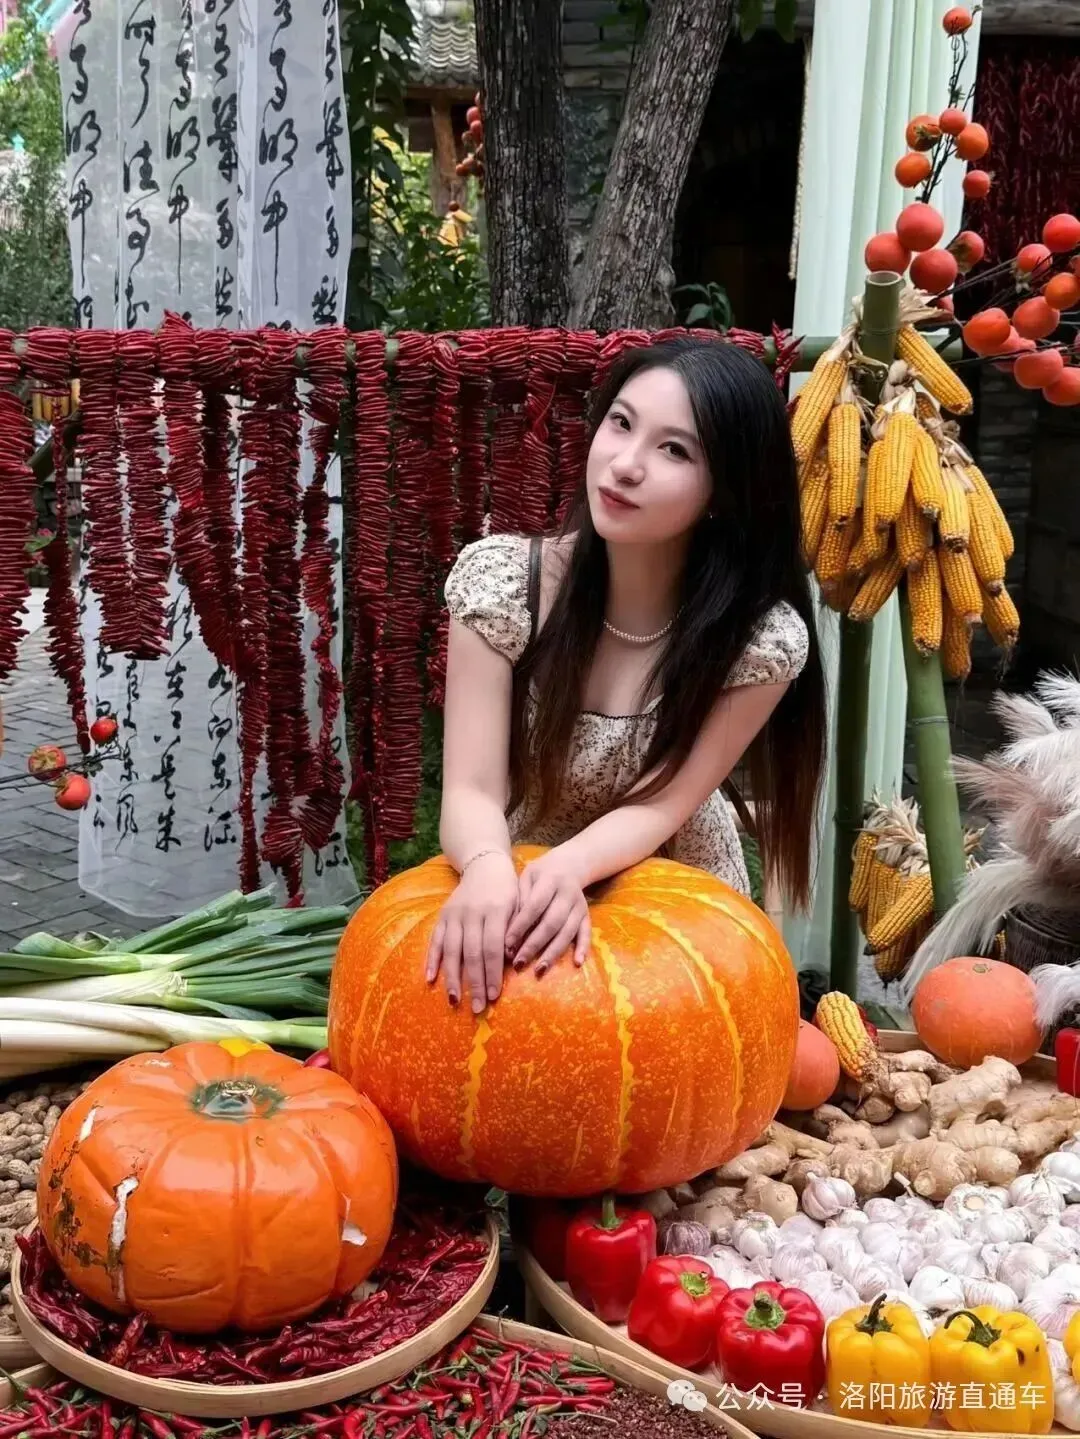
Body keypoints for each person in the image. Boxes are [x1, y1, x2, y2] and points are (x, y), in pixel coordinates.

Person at [427, 337, 828, 1014]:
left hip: (671, 887)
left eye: (674, 450)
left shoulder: (757, 640)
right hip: (506, 864)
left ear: (724, 492)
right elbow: (470, 788)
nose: (625, 464)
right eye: (621, 422)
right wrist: (492, 867)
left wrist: (570, 867)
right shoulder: (503, 586)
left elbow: (661, 804)